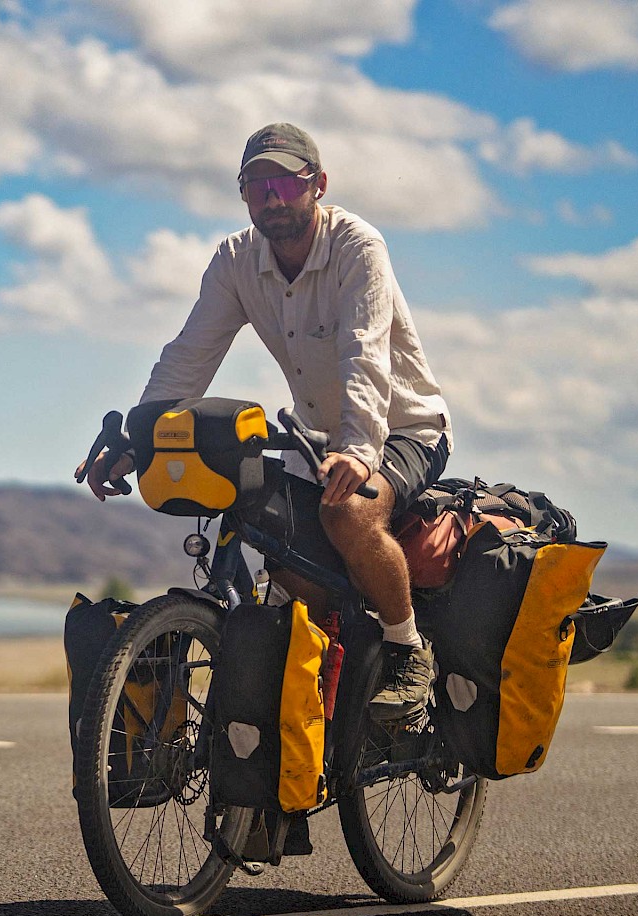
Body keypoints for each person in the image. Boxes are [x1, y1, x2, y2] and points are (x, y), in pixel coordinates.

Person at [85, 122, 451, 723]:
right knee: (274, 544)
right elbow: (188, 357)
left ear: (318, 185)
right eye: (256, 186)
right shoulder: (236, 261)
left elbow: (364, 353)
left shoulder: (357, 246)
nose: (272, 197)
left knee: (347, 513)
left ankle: (407, 647)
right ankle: (311, 711)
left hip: (402, 425)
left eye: (286, 182)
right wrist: (138, 440)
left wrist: (361, 450)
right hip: (314, 437)